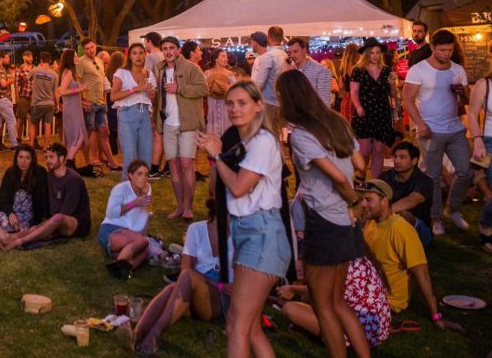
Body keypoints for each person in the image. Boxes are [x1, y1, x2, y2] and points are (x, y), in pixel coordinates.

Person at [277, 70, 369, 358]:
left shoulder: (302, 136)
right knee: (337, 301)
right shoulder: (337, 121)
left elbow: (339, 179)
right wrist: (352, 204)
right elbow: (360, 164)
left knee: (322, 305)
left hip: (325, 219)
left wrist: (354, 201)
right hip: (345, 221)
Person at [198, 81, 291, 358]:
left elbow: (239, 187)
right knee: (248, 327)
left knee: (237, 325)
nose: (234, 109)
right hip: (248, 232)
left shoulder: (263, 142)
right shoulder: (245, 142)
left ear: (258, 106)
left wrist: (216, 157)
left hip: (263, 234)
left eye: (242, 103)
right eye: (230, 103)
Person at [126, 201, 233, 354]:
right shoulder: (197, 229)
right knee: (173, 287)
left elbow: (234, 285)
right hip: (192, 290)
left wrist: (214, 284)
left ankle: (155, 333)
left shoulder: (239, 236)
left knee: (182, 281)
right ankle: (136, 334)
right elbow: (186, 269)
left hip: (219, 297)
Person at [360, 180, 462, 330]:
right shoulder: (372, 223)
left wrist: (436, 317)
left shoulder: (401, 230)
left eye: (368, 200)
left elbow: (423, 275)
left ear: (384, 201)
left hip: (387, 301)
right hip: (369, 289)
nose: (363, 204)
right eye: (362, 199)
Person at [403, 29, 474, 234]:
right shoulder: (418, 70)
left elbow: (467, 99)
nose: (446, 54)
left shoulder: (457, 69)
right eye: (442, 50)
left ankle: (452, 208)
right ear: (432, 47)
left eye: (450, 50)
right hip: (430, 129)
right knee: (433, 176)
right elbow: (407, 100)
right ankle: (436, 218)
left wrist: (462, 93)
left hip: (454, 127)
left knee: (465, 171)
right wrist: (420, 124)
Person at [277, 255, 391, 349]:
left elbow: (319, 290)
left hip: (357, 335)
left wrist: (291, 289)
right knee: (307, 299)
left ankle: (330, 334)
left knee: (290, 308)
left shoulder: (338, 264)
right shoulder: (362, 260)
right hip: (379, 330)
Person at [0, 143, 91, 250]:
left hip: (75, 222)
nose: (48, 161)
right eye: (46, 157)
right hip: (54, 219)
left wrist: (48, 225)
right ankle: (11, 237)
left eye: (51, 157)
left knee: (57, 218)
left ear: (61, 159)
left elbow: (67, 212)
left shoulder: (73, 179)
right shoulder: (48, 176)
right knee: (38, 226)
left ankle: (19, 241)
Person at [158, 36, 208, 220]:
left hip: (187, 123)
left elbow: (204, 89)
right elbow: (159, 99)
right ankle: (179, 206)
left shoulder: (191, 67)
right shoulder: (159, 69)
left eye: (172, 48)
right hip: (169, 123)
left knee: (186, 164)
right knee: (173, 165)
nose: (168, 51)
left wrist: (180, 88)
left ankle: (189, 206)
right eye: (165, 48)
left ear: (178, 50)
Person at [350, 38, 398, 179]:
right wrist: (358, 107)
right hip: (364, 112)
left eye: (378, 53)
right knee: (364, 150)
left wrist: (392, 83)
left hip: (382, 112)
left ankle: (375, 182)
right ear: (366, 54)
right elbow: (354, 91)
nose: (376, 56)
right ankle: (361, 173)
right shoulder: (358, 70)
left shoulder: (386, 71)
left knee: (378, 150)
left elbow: (393, 94)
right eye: (372, 53)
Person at [98, 159, 152, 279]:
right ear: (130, 175)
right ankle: (119, 264)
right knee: (143, 241)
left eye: (146, 174)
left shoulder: (147, 189)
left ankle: (124, 270)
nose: (143, 178)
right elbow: (111, 213)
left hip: (129, 234)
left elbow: (143, 215)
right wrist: (133, 203)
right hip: (111, 230)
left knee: (146, 250)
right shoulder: (120, 189)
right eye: (139, 174)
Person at [110, 43, 157, 179]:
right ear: (129, 56)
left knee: (146, 155)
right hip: (127, 112)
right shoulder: (122, 72)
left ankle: (141, 190)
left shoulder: (148, 73)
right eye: (134, 53)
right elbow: (113, 96)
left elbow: (152, 97)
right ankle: (127, 191)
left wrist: (152, 93)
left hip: (145, 114)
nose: (138, 56)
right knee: (130, 156)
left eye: (141, 53)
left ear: (145, 55)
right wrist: (135, 89)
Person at [379, 142, 434, 246]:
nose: (397, 161)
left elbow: (411, 200)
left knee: (403, 215)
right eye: (395, 157)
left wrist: (383, 213)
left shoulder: (425, 181)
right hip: (388, 222)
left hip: (420, 231)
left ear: (414, 161)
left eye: (402, 157)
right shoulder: (385, 176)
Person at [76, 39, 117, 169]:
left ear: (95, 47)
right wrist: (83, 101)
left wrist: (104, 98)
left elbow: (101, 82)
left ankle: (112, 163)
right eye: (87, 48)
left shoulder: (100, 61)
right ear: (84, 49)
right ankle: (88, 161)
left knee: (105, 132)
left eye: (92, 47)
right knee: (87, 134)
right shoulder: (81, 62)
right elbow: (77, 82)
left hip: (101, 102)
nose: (90, 50)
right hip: (90, 103)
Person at [466, 58, 492, 252]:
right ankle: (485, 224)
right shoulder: (485, 84)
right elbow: (472, 114)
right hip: (490, 140)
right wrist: (477, 139)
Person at [250, 30, 286, 128]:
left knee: (267, 135)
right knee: (276, 134)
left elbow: (259, 84)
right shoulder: (285, 55)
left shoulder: (267, 57)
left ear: (268, 38)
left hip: (268, 102)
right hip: (282, 102)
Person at [142, 32, 167, 179]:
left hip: (156, 96)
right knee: (162, 132)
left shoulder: (151, 57)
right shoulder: (164, 55)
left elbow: (147, 77)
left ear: (148, 41)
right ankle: (165, 165)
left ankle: (154, 165)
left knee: (157, 133)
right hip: (165, 96)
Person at [57, 49, 87, 166]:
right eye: (75, 57)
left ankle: (68, 162)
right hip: (71, 109)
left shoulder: (70, 72)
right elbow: (62, 91)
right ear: (70, 59)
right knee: (79, 136)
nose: (77, 58)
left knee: (74, 136)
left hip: (75, 107)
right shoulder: (68, 72)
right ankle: (69, 161)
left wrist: (83, 103)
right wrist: (80, 89)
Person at [286, 38, 333, 106]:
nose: (292, 55)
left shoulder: (321, 71)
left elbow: (324, 103)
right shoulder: (292, 69)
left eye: (295, 51)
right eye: (290, 53)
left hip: (312, 115)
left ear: (304, 50)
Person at [0, 51, 18, 150]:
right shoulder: (0, 68)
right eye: (6, 58)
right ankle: (14, 144)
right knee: (11, 120)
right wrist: (11, 80)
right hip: (2, 97)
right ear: (1, 58)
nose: (8, 60)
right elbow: (3, 84)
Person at [28, 51, 59, 148]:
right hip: (50, 103)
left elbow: (28, 78)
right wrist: (57, 104)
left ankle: (31, 145)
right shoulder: (54, 74)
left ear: (41, 60)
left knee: (33, 124)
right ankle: (46, 146)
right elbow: (56, 91)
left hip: (37, 103)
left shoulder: (35, 70)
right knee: (47, 125)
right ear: (50, 61)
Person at [205, 50, 236, 138]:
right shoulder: (207, 74)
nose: (226, 59)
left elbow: (237, 93)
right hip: (212, 108)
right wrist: (210, 89)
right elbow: (201, 91)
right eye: (223, 56)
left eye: (226, 56)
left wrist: (228, 88)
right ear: (216, 59)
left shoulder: (230, 74)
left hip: (226, 108)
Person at [14, 49, 35, 143]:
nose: (31, 58)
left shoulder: (35, 69)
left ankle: (33, 140)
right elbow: (16, 86)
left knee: (33, 120)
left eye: (31, 56)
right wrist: (18, 100)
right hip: (24, 96)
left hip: (34, 97)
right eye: (29, 56)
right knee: (20, 120)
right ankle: (18, 139)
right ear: (24, 57)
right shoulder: (19, 70)